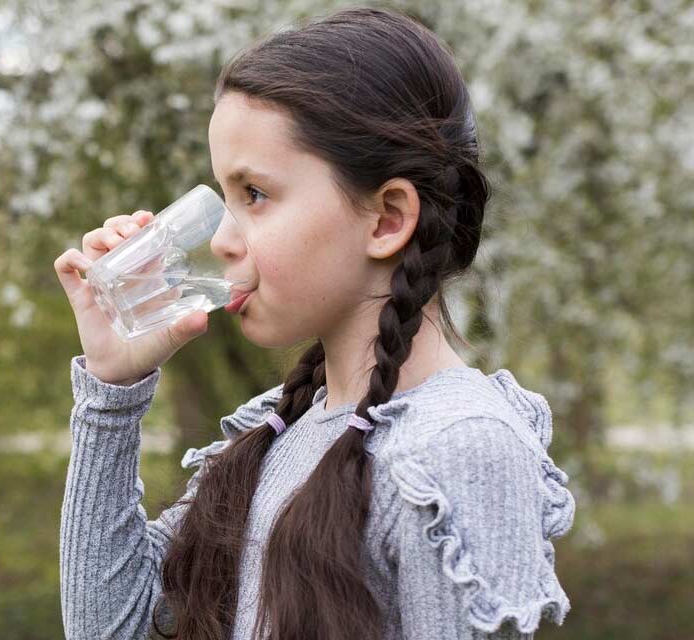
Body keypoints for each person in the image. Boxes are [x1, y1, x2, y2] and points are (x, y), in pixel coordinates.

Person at [51, 7, 576, 640]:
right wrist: (112, 393)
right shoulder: (285, 425)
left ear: (386, 219)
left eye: (255, 195)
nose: (220, 239)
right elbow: (113, 627)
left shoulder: (456, 447)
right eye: (224, 193)